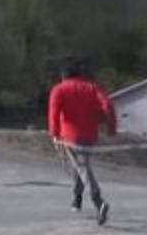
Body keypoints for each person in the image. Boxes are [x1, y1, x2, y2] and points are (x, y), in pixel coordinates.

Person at [47, 58, 116, 225]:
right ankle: (77, 199)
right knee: (80, 165)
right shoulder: (92, 87)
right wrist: (112, 127)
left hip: (70, 137)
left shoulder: (59, 89)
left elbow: (54, 112)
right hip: (90, 136)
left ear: (63, 75)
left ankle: (98, 201)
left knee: (83, 167)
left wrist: (54, 134)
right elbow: (108, 105)